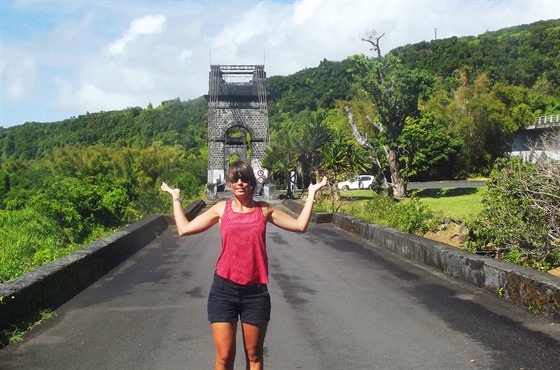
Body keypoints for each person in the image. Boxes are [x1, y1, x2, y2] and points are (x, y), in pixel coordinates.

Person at [160, 160, 328, 370]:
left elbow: (300, 226)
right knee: (224, 357)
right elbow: (184, 229)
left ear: (252, 182)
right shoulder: (221, 209)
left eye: (245, 178)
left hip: (255, 293)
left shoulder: (264, 210)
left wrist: (311, 195)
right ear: (229, 183)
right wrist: (176, 199)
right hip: (223, 290)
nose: (240, 183)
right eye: (235, 179)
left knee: (255, 356)